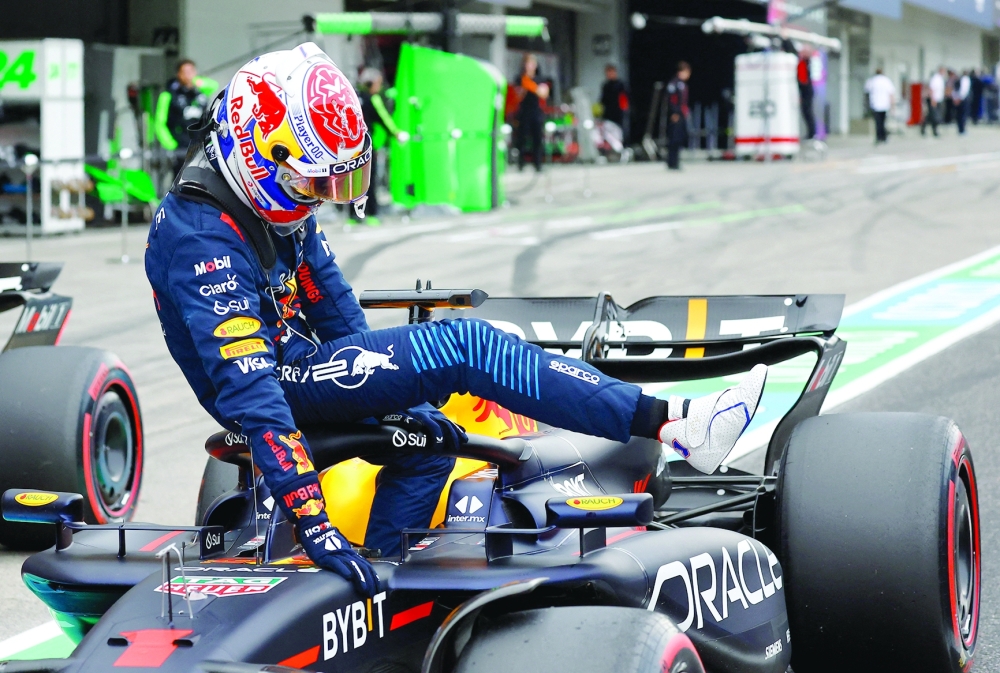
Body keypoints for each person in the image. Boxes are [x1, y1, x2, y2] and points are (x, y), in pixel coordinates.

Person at [144, 43, 767, 598]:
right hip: (266, 389)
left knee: (435, 438)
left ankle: (380, 583)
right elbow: (250, 391)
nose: (323, 195)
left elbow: (335, 312)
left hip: (296, 369)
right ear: (258, 152)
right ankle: (677, 425)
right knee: (464, 347)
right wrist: (314, 523)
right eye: (313, 180)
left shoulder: (271, 198)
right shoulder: (204, 239)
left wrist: (393, 391)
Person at [349, 67, 403, 226]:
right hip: (365, 145)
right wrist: (397, 133)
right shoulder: (373, 98)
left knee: (350, 180)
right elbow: (384, 119)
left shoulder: (352, 97)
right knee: (367, 180)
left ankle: (352, 216)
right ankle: (370, 213)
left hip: (348, 146)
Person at [155, 60, 212, 175]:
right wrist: (171, 145)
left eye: (191, 71)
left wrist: (197, 82)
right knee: (182, 180)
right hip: (181, 148)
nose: (189, 75)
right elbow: (159, 123)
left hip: (201, 145)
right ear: (179, 74)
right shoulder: (168, 95)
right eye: (185, 72)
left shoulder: (201, 92)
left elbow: (213, 85)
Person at [516, 53, 549, 172]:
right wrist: (525, 87)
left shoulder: (540, 79)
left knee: (537, 138)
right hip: (524, 111)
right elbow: (517, 96)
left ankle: (538, 163)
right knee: (522, 138)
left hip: (536, 110)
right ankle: (521, 163)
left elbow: (544, 93)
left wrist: (533, 87)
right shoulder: (520, 78)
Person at [665, 61, 691, 170]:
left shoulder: (682, 84)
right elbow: (672, 100)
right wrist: (674, 113)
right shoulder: (674, 84)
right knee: (674, 139)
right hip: (675, 115)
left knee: (679, 138)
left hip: (681, 114)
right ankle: (671, 162)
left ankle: (676, 162)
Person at [599, 63, 630, 142]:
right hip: (608, 114)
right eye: (608, 73)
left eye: (611, 72)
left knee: (619, 133)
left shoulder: (620, 85)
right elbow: (603, 100)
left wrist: (624, 111)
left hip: (619, 114)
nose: (609, 74)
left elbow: (624, 100)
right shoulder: (606, 85)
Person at [865, 68, 895, 144]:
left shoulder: (872, 81)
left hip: (875, 104)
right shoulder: (886, 80)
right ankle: (883, 137)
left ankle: (879, 137)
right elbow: (891, 94)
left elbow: (867, 92)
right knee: (883, 121)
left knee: (878, 122)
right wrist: (892, 106)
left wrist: (867, 105)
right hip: (884, 104)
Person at [797, 49, 816, 140]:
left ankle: (811, 133)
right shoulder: (807, 63)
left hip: (806, 92)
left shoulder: (803, 63)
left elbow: (802, 80)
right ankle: (812, 133)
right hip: (808, 91)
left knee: (807, 112)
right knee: (808, 113)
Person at [922, 67, 945, 137]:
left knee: (930, 116)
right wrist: (932, 100)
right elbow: (931, 89)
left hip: (938, 99)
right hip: (934, 100)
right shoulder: (935, 79)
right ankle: (934, 130)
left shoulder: (941, 79)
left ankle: (923, 128)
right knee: (935, 116)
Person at [954, 69, 971, 135]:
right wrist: (960, 98)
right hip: (963, 99)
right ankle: (962, 130)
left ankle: (960, 129)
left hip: (959, 98)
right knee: (963, 115)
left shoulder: (960, 79)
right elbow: (964, 90)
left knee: (959, 115)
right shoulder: (966, 79)